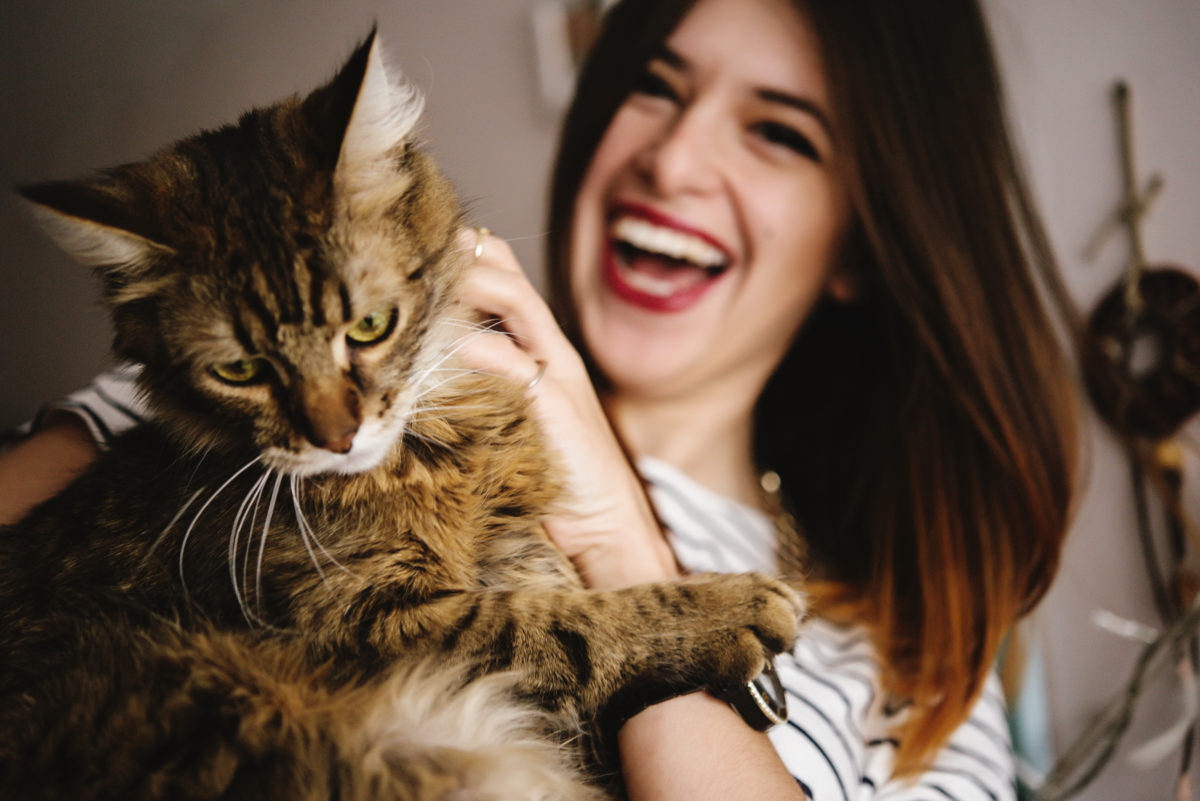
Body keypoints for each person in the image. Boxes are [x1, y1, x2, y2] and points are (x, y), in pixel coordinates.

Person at [0, 0, 1078, 798]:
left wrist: (620, 537)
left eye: (779, 132)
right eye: (656, 84)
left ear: (868, 241)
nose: (673, 159)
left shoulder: (923, 664)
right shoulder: (232, 425)